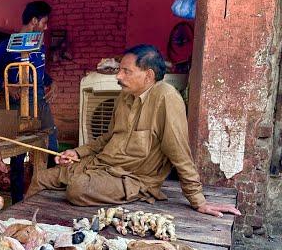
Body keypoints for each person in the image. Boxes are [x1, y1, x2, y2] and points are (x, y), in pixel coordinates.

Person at [27, 44, 241, 219]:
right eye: (119, 70)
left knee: (76, 189)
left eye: (126, 71)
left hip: (132, 178)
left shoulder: (166, 97)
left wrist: (198, 200)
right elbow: (108, 138)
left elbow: (179, 152)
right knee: (41, 178)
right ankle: (19, 227)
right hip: (100, 166)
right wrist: (78, 153)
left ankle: (132, 193)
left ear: (148, 75)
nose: (118, 76)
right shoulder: (125, 96)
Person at [0, 0, 59, 203]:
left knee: (52, 150)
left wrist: (51, 82)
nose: (46, 28)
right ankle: (17, 201)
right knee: (15, 156)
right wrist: (6, 86)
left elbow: (38, 71)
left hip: (41, 105)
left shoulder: (39, 47)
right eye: (44, 22)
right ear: (34, 21)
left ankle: (48, 198)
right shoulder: (6, 46)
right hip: (12, 107)